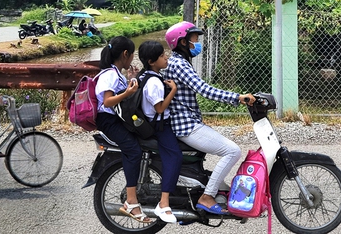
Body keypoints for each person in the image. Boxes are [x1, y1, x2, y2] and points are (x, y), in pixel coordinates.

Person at [161, 21, 255, 215]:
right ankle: (207, 196)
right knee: (232, 151)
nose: (197, 42)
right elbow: (204, 90)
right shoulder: (179, 64)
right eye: (194, 38)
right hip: (185, 126)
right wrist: (237, 97)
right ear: (183, 42)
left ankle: (213, 190)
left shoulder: (179, 62)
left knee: (226, 151)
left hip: (189, 122)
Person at [94, 36, 150, 224]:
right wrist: (127, 92)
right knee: (133, 149)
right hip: (108, 120)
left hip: (114, 118)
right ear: (125, 54)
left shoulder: (116, 73)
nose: (132, 60)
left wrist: (131, 80)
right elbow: (107, 101)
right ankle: (131, 201)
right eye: (132, 55)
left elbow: (119, 95)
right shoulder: (109, 74)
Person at [138, 40, 182, 224]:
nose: (166, 58)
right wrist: (174, 90)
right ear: (151, 61)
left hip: (154, 123)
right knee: (175, 156)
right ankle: (164, 203)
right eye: (162, 56)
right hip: (158, 126)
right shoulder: (154, 82)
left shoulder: (144, 76)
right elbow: (160, 109)